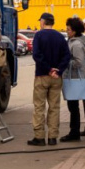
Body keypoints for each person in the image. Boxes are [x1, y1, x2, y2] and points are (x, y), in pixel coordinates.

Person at [29, 12, 69, 146]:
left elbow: (36, 55)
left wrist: (48, 69)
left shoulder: (39, 35)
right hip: (57, 77)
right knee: (54, 107)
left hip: (42, 75)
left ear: (43, 21)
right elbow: (66, 56)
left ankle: (39, 137)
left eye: (40, 20)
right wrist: (58, 69)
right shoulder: (60, 37)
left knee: (39, 107)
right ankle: (53, 137)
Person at [60, 17, 85, 142]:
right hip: (70, 78)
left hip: (74, 79)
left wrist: (66, 61)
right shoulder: (71, 41)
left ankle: (74, 132)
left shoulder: (76, 44)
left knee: (73, 107)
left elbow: (79, 62)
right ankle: (74, 131)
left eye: (69, 29)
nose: (67, 31)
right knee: (72, 106)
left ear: (75, 30)